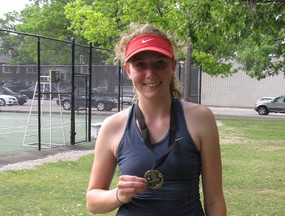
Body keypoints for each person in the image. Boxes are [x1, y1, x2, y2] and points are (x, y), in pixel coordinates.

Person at [86, 23, 226, 216]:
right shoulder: (113, 126)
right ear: (128, 70)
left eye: (160, 63)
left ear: (173, 66)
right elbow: (93, 201)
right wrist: (119, 195)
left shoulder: (200, 119)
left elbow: (215, 201)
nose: (150, 74)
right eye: (140, 64)